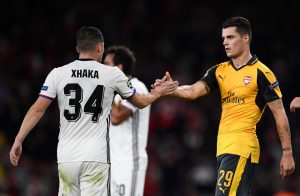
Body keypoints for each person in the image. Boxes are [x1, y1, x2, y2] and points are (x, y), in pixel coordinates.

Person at [9, 26, 178, 196]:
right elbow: (140, 102)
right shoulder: (112, 74)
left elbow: (37, 110)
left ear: (77, 48)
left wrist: (18, 139)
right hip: (95, 157)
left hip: (67, 156)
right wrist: (159, 92)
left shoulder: (57, 74)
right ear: (100, 47)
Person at [153, 16, 295, 195]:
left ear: (245, 38)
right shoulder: (219, 70)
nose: (225, 43)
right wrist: (171, 89)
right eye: (223, 39)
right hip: (223, 147)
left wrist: (287, 152)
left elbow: (280, 113)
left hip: (241, 146)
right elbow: (193, 91)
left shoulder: (262, 73)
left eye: (230, 37)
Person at [103, 46, 150, 196]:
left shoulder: (137, 87)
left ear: (119, 68)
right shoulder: (115, 92)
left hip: (129, 164)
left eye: (107, 64)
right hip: (112, 165)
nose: (102, 68)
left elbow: (116, 117)